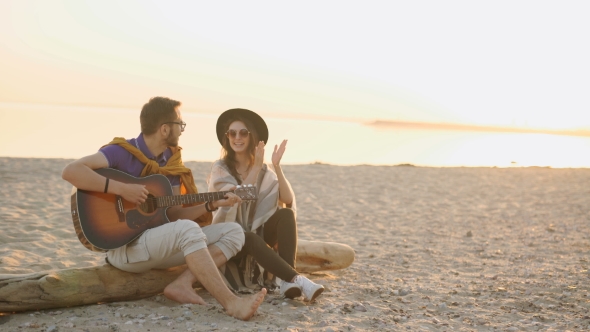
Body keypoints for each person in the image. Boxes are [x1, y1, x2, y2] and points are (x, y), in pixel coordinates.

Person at [61, 97, 266, 321]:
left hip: (157, 244)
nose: (182, 129)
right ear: (165, 129)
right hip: (125, 248)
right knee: (187, 229)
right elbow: (71, 171)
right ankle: (232, 303)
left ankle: (183, 283)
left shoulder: (171, 162)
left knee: (233, 232)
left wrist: (211, 204)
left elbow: (175, 214)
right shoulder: (122, 152)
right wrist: (122, 189)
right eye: (180, 124)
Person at [208, 108, 324, 302]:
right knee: (249, 237)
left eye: (243, 132)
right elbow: (239, 196)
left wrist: (276, 167)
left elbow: (287, 199)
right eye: (232, 133)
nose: (237, 137)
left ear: (252, 136)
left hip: (257, 235)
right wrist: (255, 168)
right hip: (229, 238)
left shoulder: (262, 168)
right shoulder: (220, 168)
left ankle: (288, 281)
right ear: (227, 137)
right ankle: (297, 278)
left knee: (286, 216)